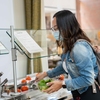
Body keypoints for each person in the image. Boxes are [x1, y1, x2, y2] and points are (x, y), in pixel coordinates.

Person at [35, 10, 100, 100]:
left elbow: (87, 79)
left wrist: (62, 84)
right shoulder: (69, 45)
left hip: (89, 93)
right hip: (78, 92)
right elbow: (66, 65)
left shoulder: (79, 48)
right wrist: (46, 74)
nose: (54, 32)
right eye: (53, 29)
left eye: (56, 28)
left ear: (66, 26)